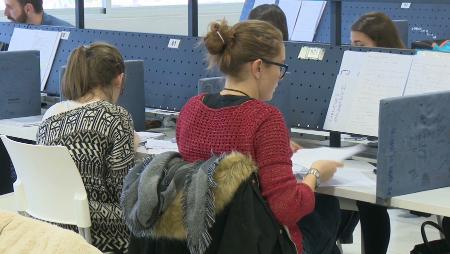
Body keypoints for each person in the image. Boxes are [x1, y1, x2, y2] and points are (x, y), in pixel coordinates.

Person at [176, 19, 342, 253]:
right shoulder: (265, 118)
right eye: (280, 67)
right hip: (254, 243)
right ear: (258, 68)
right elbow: (287, 208)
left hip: (202, 240)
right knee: (329, 208)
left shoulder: (192, 108)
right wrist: (315, 173)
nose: (280, 77)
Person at [36, 42, 134, 253]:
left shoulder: (50, 116)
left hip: (52, 229)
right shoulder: (115, 117)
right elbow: (124, 193)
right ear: (119, 78)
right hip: (95, 230)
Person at [341, 12, 406, 254]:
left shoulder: (403, 74)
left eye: (360, 45)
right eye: (352, 45)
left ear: (382, 44)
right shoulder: (355, 74)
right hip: (365, 152)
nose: (354, 51)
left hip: (398, 157)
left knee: (369, 201)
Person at [4, 0, 73, 27]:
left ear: (28, 9)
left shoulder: (70, 34)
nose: (5, 13)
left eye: (9, 7)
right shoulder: (8, 32)